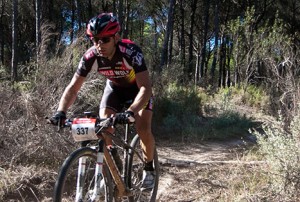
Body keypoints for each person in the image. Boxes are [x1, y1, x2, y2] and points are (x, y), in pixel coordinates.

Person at [50, 13, 156, 190]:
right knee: (103, 125)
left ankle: (149, 168)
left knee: (143, 128)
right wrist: (61, 111)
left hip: (138, 91)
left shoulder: (131, 52)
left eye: (104, 40)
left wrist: (130, 111)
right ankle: (112, 162)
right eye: (94, 40)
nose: (99, 45)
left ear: (116, 37)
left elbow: (146, 87)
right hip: (114, 90)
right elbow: (73, 87)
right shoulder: (91, 56)